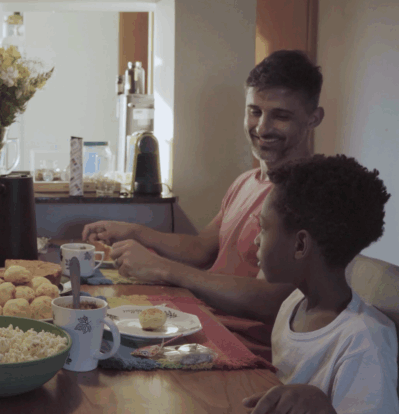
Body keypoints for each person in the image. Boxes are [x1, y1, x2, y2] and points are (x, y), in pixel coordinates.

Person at [82, 50, 325, 360]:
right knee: (89, 330)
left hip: (242, 348)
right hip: (201, 324)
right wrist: (135, 231)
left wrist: (163, 268)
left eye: (281, 116)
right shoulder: (247, 180)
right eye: (255, 111)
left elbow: (269, 300)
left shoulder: (309, 193)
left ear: (313, 118)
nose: (262, 128)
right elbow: (201, 249)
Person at [244, 154, 397, 414]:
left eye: (263, 228)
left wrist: (323, 407)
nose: (257, 240)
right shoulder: (292, 305)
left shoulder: (364, 340)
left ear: (300, 245)